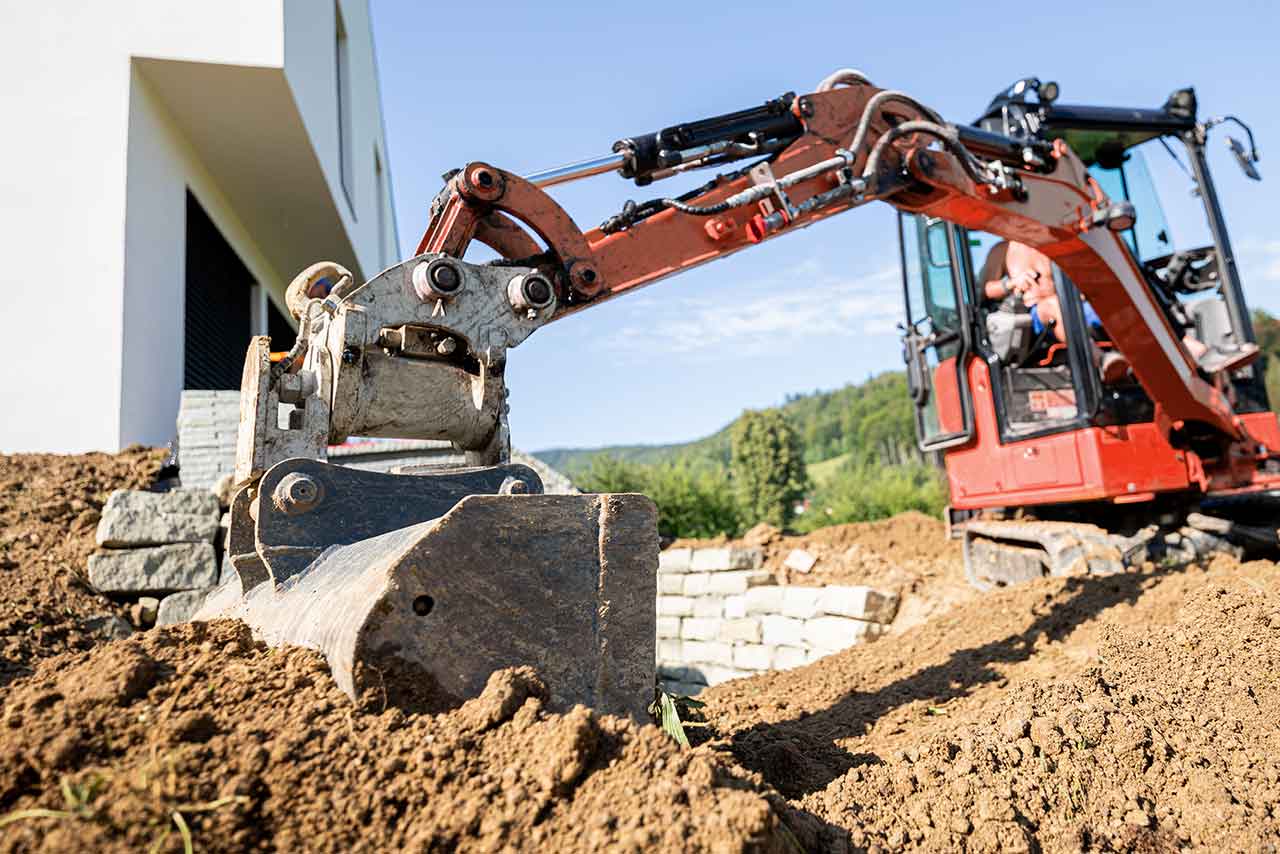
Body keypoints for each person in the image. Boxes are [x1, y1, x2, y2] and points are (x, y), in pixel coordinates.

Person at [978, 240, 1132, 383]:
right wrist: (1012, 283)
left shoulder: (1053, 244)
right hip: (1035, 312)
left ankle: (1134, 362)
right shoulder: (1002, 250)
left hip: (1070, 303)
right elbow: (986, 289)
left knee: (1115, 304)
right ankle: (1102, 360)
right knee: (1055, 305)